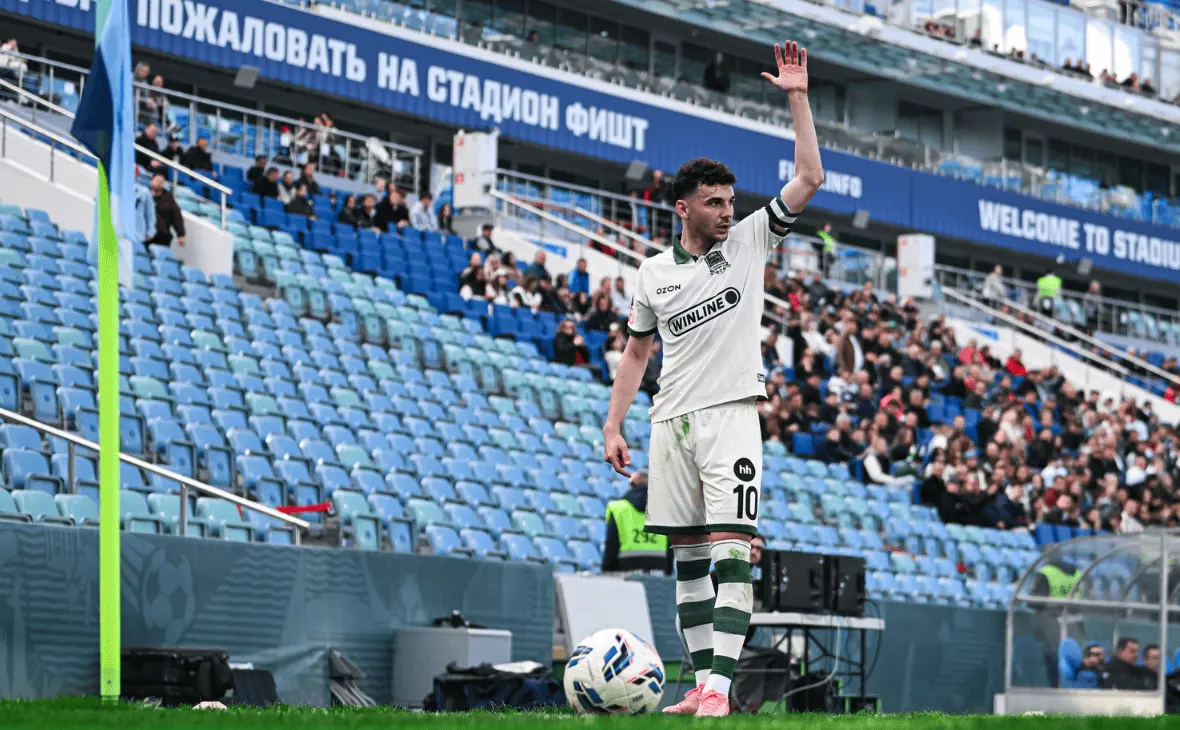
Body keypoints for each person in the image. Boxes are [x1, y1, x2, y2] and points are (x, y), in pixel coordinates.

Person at [601, 40, 823, 718]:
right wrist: (613, 424)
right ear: (683, 208)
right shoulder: (652, 272)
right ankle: (701, 685)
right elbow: (636, 355)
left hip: (731, 417)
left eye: (730, 200)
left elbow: (810, 176)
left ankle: (720, 693)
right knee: (689, 563)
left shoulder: (751, 241)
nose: (728, 211)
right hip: (670, 422)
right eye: (714, 202)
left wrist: (797, 97)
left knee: (732, 555)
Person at [601, 470, 669, 573]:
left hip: (626, 569)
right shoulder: (664, 510)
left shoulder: (618, 508)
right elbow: (669, 546)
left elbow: (612, 544)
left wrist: (606, 570)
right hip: (658, 569)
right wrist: (668, 573)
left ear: (631, 485)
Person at [147, 172, 185, 248]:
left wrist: (180, 235)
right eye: (157, 181)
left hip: (161, 235)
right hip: (144, 231)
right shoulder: (143, 194)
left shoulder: (169, 198)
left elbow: (177, 217)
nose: (159, 183)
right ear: (151, 181)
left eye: (161, 182)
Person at [134, 170, 157, 251]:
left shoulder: (144, 192)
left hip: (137, 232)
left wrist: (151, 230)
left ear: (137, 174)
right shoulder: (118, 189)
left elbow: (150, 213)